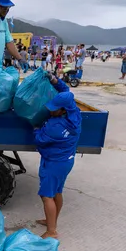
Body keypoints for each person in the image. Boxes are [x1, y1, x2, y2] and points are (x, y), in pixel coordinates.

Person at [34, 73, 82, 238]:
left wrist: (35, 127)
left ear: (62, 110)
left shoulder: (55, 127)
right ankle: (51, 221)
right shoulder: (74, 114)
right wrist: (54, 80)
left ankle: (52, 231)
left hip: (55, 162)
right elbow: (66, 91)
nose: (50, 110)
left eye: (54, 109)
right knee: (57, 192)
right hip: (65, 161)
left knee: (46, 195)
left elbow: (40, 139)